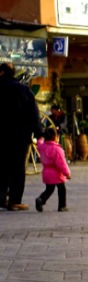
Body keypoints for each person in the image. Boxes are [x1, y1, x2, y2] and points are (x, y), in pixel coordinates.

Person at [0, 62, 42, 210]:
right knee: (17, 168)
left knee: (2, 166)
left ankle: (1, 197)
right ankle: (14, 200)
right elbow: (33, 113)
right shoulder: (22, 89)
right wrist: (39, 132)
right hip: (19, 136)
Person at [35, 127, 71, 212]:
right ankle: (62, 206)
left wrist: (40, 138)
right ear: (55, 137)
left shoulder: (43, 147)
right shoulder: (57, 149)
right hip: (56, 173)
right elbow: (62, 164)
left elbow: (39, 144)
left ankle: (41, 199)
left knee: (49, 189)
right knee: (61, 189)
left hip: (46, 173)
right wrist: (67, 173)